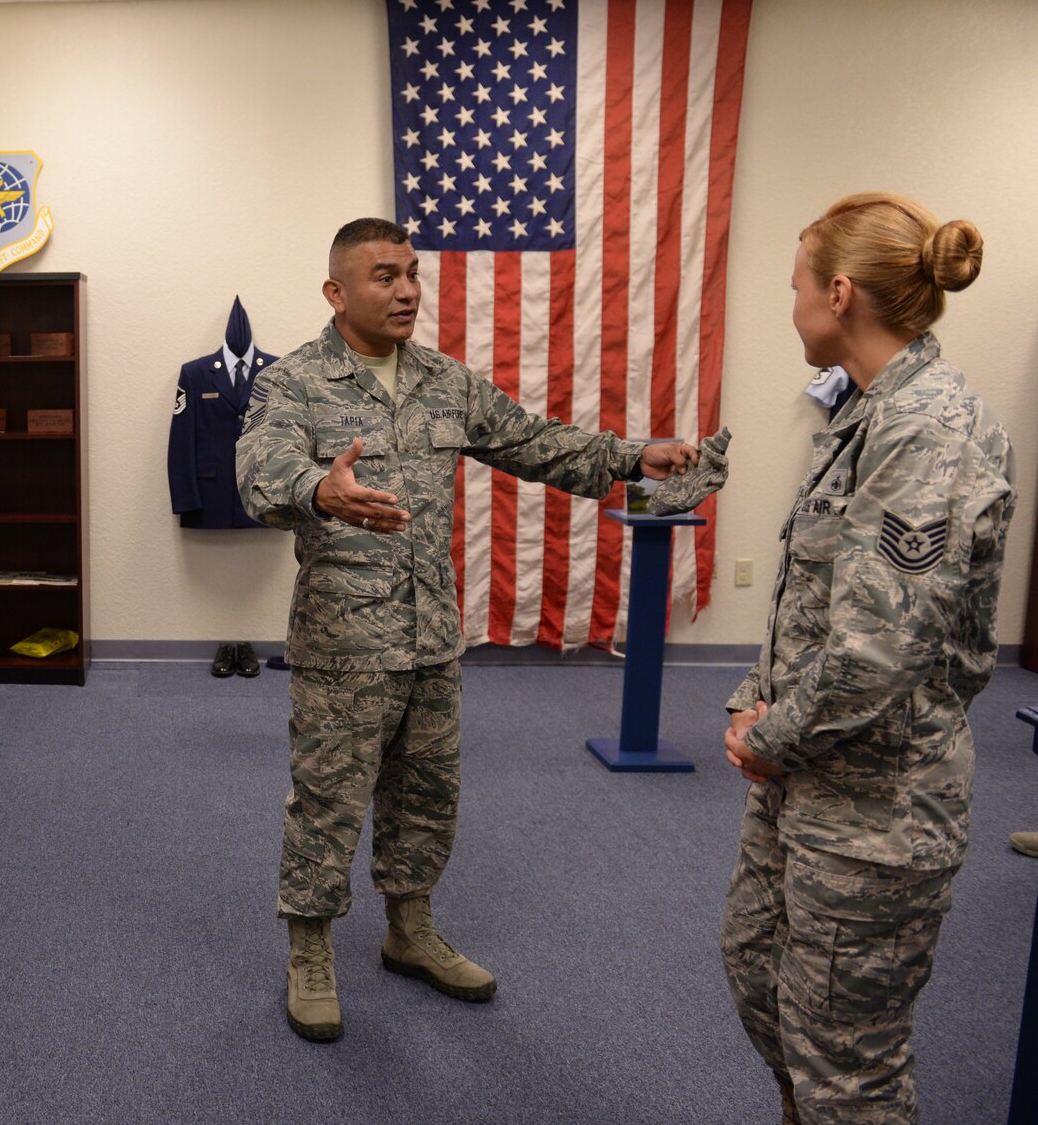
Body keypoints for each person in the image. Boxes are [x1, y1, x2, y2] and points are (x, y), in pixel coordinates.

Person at [235, 217, 698, 1042]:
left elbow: (532, 441)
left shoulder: (446, 381)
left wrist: (631, 457)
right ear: (337, 292)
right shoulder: (297, 382)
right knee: (328, 800)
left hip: (432, 635)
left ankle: (410, 931)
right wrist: (319, 490)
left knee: (427, 794)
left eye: (412, 273)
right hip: (346, 641)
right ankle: (309, 949)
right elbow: (258, 471)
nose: (408, 289)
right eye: (385, 276)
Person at [699, 194, 1011, 1125]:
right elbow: (816, 599)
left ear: (838, 293)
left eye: (795, 285)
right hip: (807, 774)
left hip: (878, 799)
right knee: (756, 964)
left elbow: (874, 655)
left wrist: (769, 734)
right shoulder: (864, 413)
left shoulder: (924, 429)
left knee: (847, 1036)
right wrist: (757, 705)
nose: (790, 305)